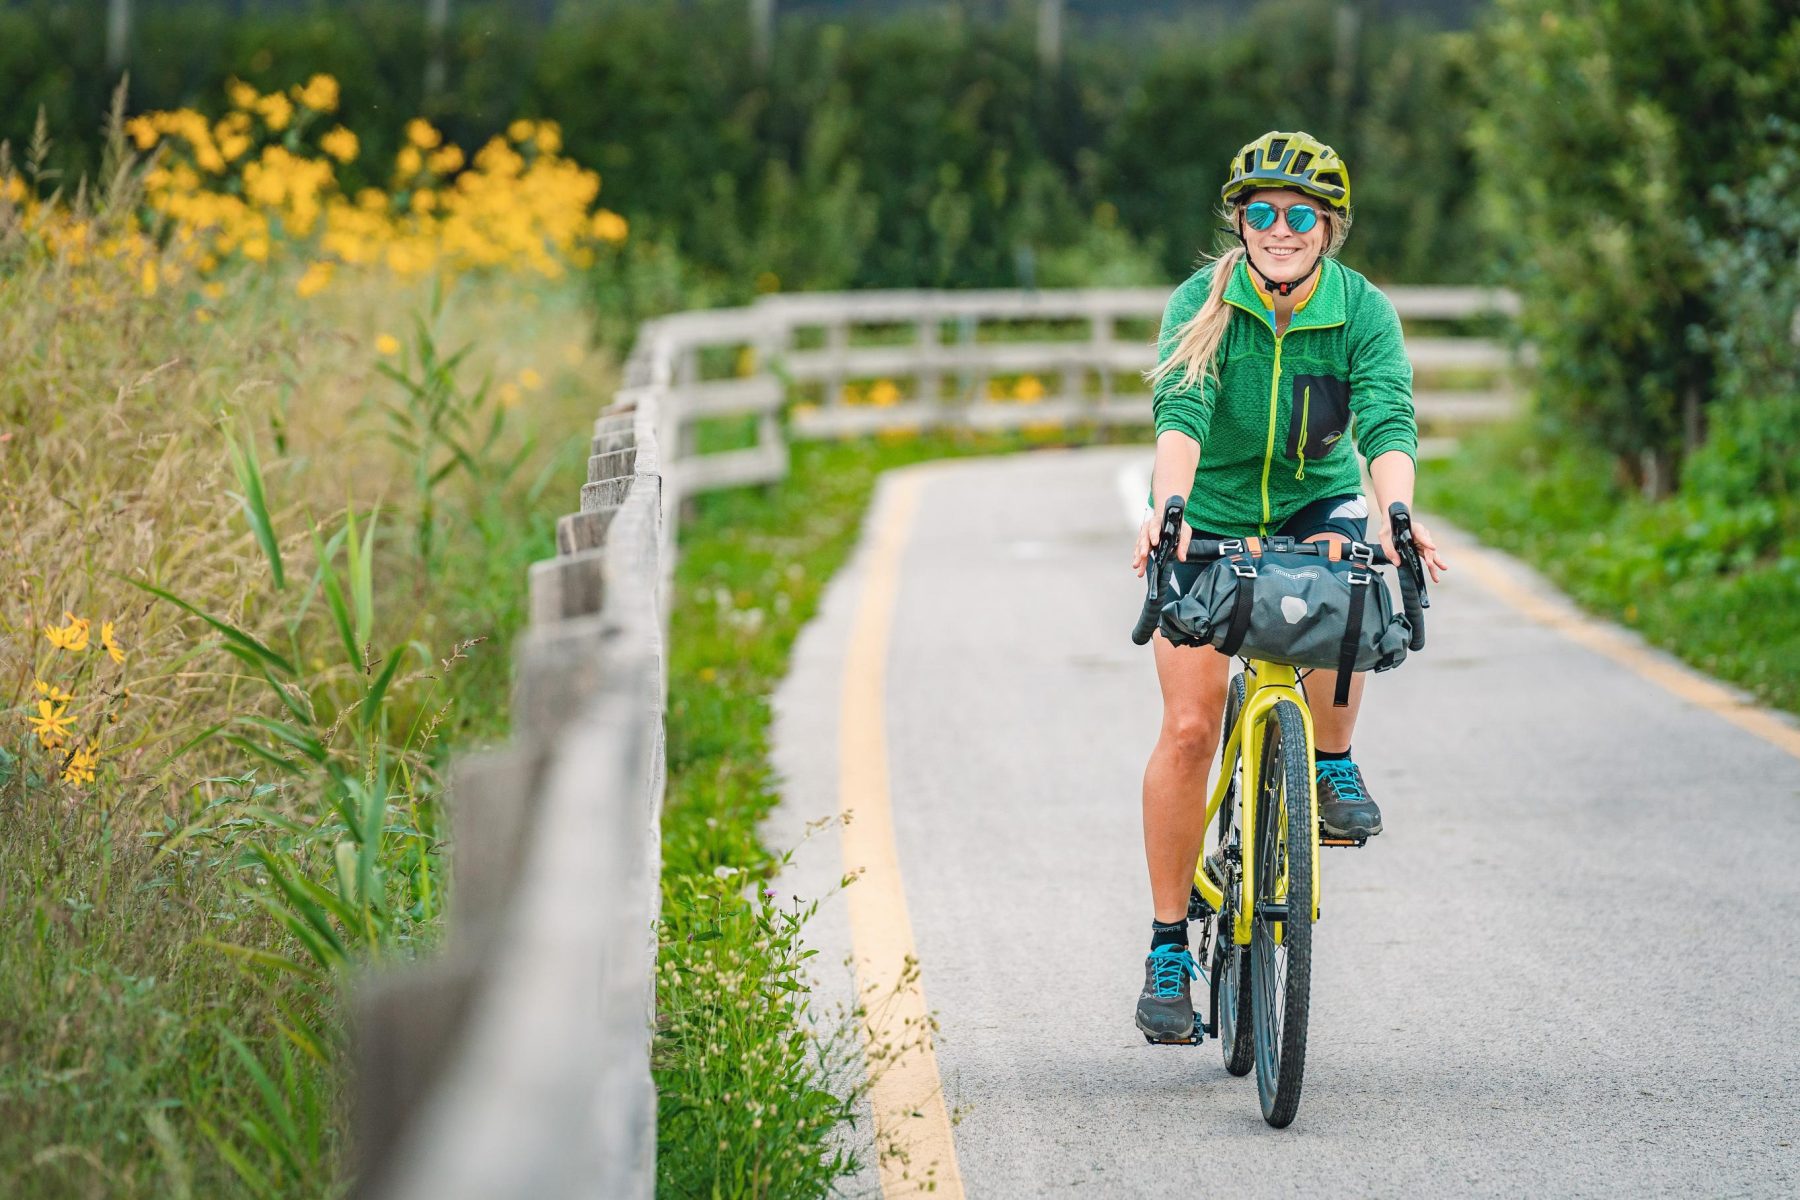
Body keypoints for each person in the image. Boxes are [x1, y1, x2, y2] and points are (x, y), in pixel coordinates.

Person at [1127, 131, 1450, 1043]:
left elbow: (1386, 418)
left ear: (1328, 229)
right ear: (1240, 222)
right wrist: (1171, 507)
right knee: (1190, 730)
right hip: (1211, 508)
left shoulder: (1360, 310)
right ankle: (1166, 948)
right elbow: (1181, 413)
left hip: (1316, 502)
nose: (1279, 228)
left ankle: (1331, 759)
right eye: (1262, 212)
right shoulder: (1202, 304)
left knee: (1358, 576)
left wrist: (1397, 512)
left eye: (1300, 216)